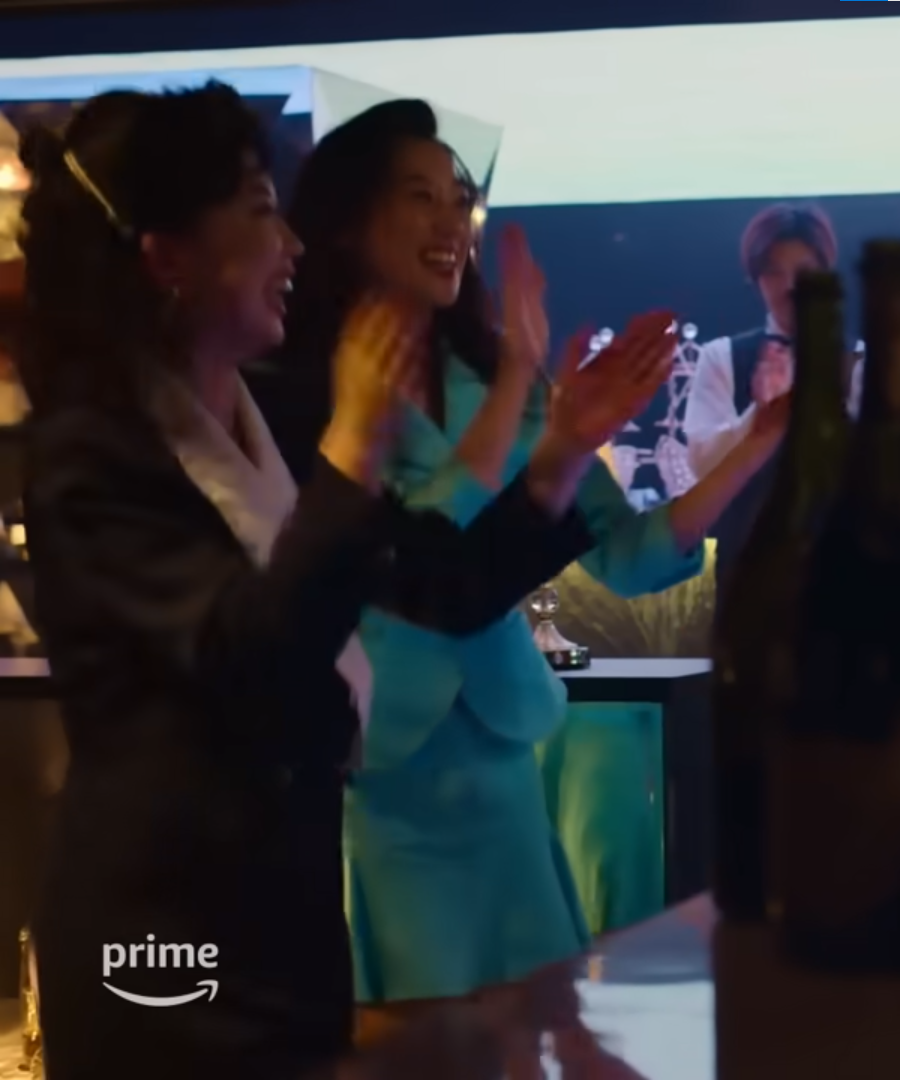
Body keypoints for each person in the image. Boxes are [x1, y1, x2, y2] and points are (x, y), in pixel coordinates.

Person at [17, 84, 639, 1080]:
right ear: (167, 257)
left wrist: (562, 454)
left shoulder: (248, 428)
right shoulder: (91, 458)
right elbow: (253, 656)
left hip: (281, 926)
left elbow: (439, 585)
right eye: (261, 210)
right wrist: (353, 447)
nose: (292, 244)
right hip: (164, 938)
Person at [264, 99, 787, 1047]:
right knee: (411, 1050)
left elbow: (629, 559)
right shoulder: (303, 393)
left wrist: (755, 441)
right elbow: (418, 561)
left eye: (457, 198)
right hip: (379, 785)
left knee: (539, 1040)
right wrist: (521, 396)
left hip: (506, 772)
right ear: (345, 222)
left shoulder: (498, 374)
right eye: (418, 196)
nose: (449, 222)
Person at [683, 201, 857, 596]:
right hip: (747, 563)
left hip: (844, 564)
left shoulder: (860, 359)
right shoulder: (721, 357)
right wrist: (758, 416)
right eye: (774, 272)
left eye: (804, 271)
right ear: (756, 278)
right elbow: (701, 464)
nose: (790, 285)